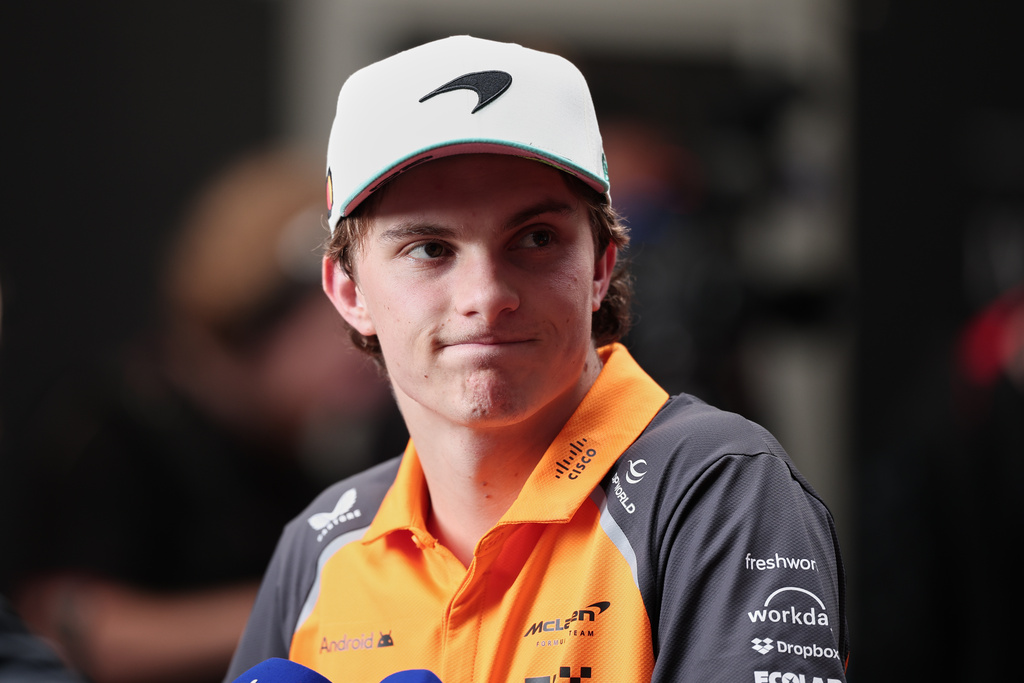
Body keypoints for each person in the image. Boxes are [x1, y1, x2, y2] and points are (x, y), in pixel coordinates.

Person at [226, 36, 849, 683]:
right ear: (349, 291)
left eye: (536, 237)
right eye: (430, 248)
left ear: (602, 263)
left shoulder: (712, 488)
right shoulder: (323, 542)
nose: (486, 296)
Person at [8, 150, 402, 683]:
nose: (369, 331)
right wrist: (316, 599)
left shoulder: (295, 449)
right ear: (264, 310)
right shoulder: (113, 427)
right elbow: (68, 628)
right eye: (339, 303)